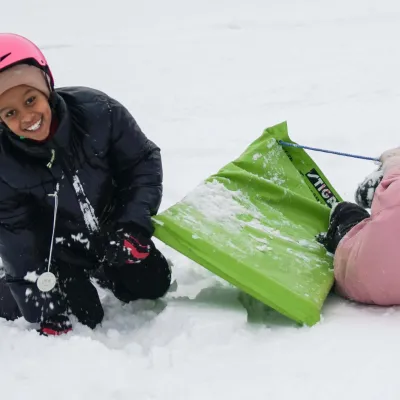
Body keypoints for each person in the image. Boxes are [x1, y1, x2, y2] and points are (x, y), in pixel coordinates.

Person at [0, 33, 171, 336]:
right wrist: (45, 308)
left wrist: (133, 225)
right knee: (83, 317)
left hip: (110, 229)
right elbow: (18, 239)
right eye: (10, 113)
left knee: (152, 283)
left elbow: (141, 163)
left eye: (31, 99)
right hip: (56, 251)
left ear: (47, 86)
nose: (27, 117)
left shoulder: (98, 113)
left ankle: (105, 266)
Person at [318, 148, 400, 305]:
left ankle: (336, 234)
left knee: (348, 212)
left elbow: (394, 163)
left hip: (361, 279)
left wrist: (391, 159)